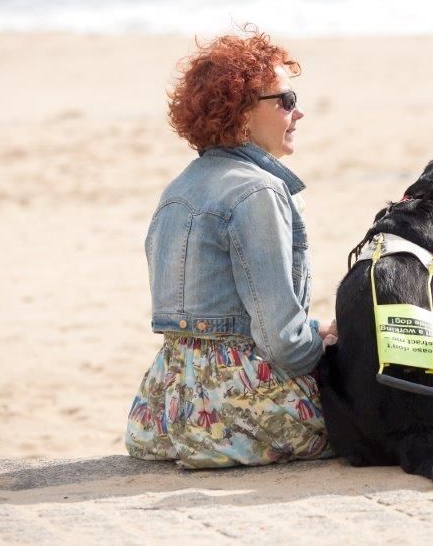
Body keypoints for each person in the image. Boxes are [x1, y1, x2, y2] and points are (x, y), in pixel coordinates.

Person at [125, 30, 337, 468]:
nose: (298, 112)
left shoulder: (179, 187)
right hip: (236, 410)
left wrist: (313, 330)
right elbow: (284, 345)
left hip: (166, 408)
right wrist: (323, 343)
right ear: (240, 113)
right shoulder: (258, 192)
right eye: (286, 100)